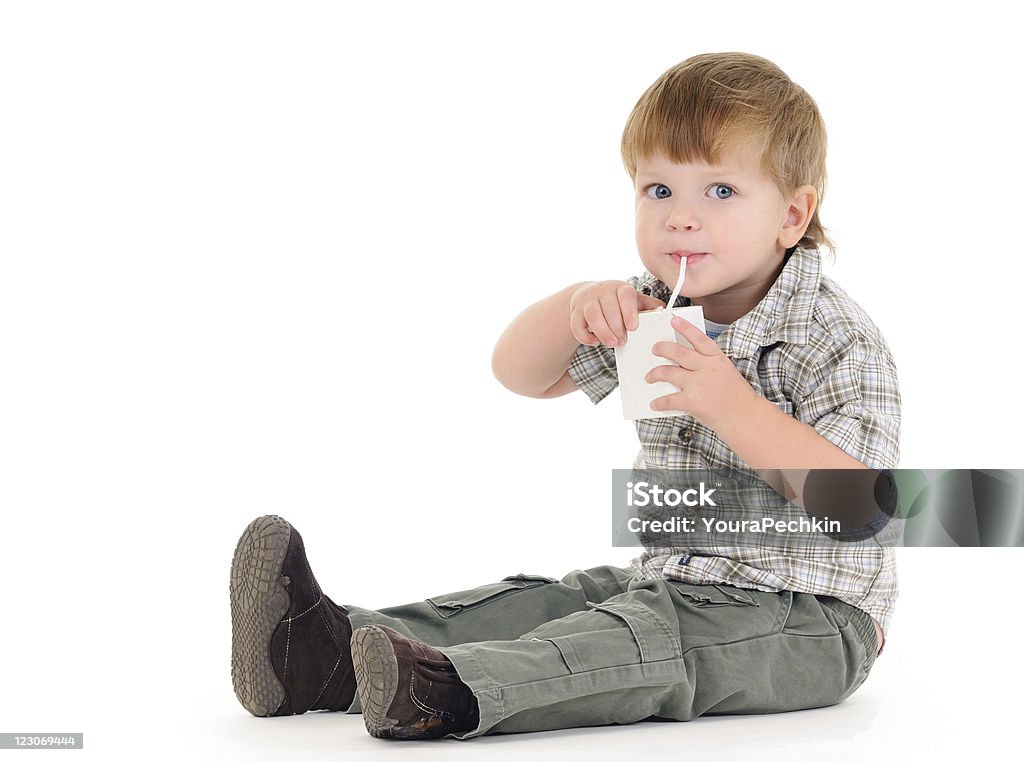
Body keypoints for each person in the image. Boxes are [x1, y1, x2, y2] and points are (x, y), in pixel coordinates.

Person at [229, 51, 900, 740]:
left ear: (792, 216)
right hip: (673, 580)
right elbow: (521, 374)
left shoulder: (834, 338)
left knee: (645, 639)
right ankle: (323, 653)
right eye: (659, 191)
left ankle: (448, 692)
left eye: (721, 192)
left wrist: (733, 406)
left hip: (812, 618)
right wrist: (573, 307)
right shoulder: (655, 306)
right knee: (560, 602)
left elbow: (863, 507)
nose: (681, 219)